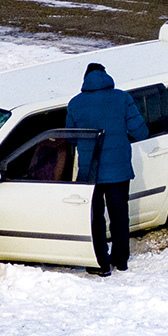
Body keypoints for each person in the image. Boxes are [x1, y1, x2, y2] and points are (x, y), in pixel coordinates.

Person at [66, 62, 148, 276]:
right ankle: (120, 260)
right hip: (119, 170)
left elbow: (72, 138)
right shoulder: (122, 98)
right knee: (120, 215)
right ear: (106, 75)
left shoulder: (75, 103)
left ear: (85, 79)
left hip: (90, 172)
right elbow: (140, 132)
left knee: (95, 217)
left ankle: (100, 263)